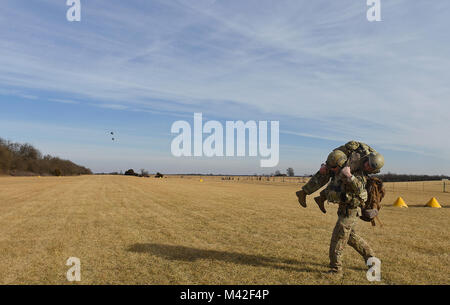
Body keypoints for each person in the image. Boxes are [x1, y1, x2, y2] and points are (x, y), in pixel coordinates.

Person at [296, 141, 384, 213]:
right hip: (343, 163)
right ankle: (304, 193)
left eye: (370, 168)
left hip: (351, 171)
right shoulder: (357, 149)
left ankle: (321, 198)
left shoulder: (375, 167)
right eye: (367, 164)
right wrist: (327, 165)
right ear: (368, 158)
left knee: (346, 185)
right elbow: (335, 153)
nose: (367, 167)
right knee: (326, 172)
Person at [326, 165, 376, 276]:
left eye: (334, 166)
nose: (333, 169)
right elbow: (330, 192)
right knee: (351, 238)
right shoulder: (341, 175)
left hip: (349, 214)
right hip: (346, 212)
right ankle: (373, 261)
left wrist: (349, 175)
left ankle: (335, 270)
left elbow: (360, 191)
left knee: (337, 240)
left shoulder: (357, 175)